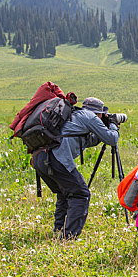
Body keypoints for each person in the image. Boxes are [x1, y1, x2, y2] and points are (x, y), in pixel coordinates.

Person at [33, 97, 119, 239]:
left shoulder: (74, 115)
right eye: (102, 115)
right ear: (98, 112)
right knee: (80, 194)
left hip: (40, 158)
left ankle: (59, 230)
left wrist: (101, 132)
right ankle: (69, 237)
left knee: (65, 193)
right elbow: (112, 138)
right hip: (57, 158)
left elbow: (85, 140)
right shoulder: (90, 116)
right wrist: (113, 125)